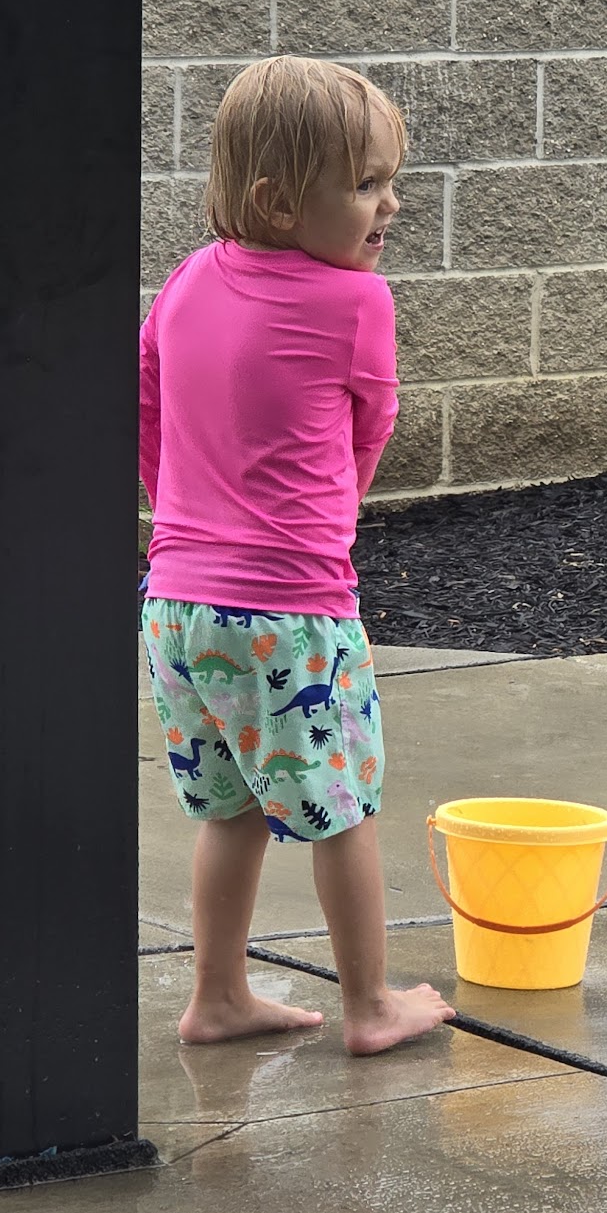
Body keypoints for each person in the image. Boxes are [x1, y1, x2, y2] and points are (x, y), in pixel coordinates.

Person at [139, 56, 455, 1054]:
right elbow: (371, 426)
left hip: (175, 605)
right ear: (280, 202)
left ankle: (218, 996)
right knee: (342, 806)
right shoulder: (357, 301)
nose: (389, 203)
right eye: (364, 184)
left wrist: (176, 506)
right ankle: (370, 1006)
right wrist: (331, 523)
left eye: (388, 180)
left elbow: (145, 399)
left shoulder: (188, 277)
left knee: (230, 810)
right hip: (290, 611)